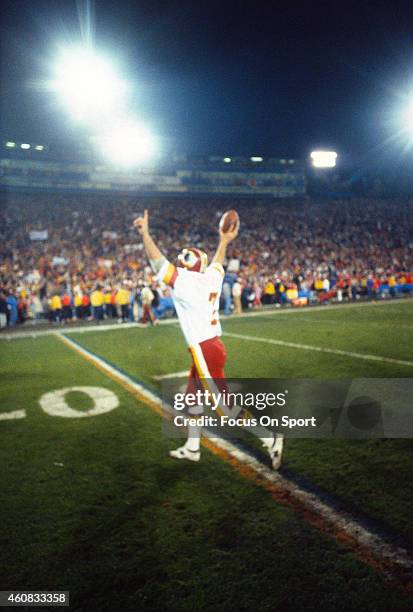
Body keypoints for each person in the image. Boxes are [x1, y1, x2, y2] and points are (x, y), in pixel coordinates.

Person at [134, 210, 283, 469]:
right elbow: (218, 262)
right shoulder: (209, 277)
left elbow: (157, 262)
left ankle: (270, 437)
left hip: (204, 348)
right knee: (192, 398)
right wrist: (224, 241)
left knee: (224, 408)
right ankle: (193, 448)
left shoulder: (187, 282)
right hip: (211, 344)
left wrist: (145, 235)